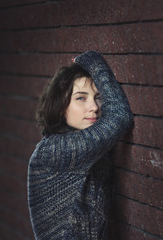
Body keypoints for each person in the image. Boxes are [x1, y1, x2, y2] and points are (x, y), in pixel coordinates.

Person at [27, 50, 134, 240]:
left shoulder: (88, 148)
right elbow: (119, 116)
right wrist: (93, 62)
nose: (94, 107)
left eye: (98, 97)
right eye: (81, 98)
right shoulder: (55, 150)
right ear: (60, 107)